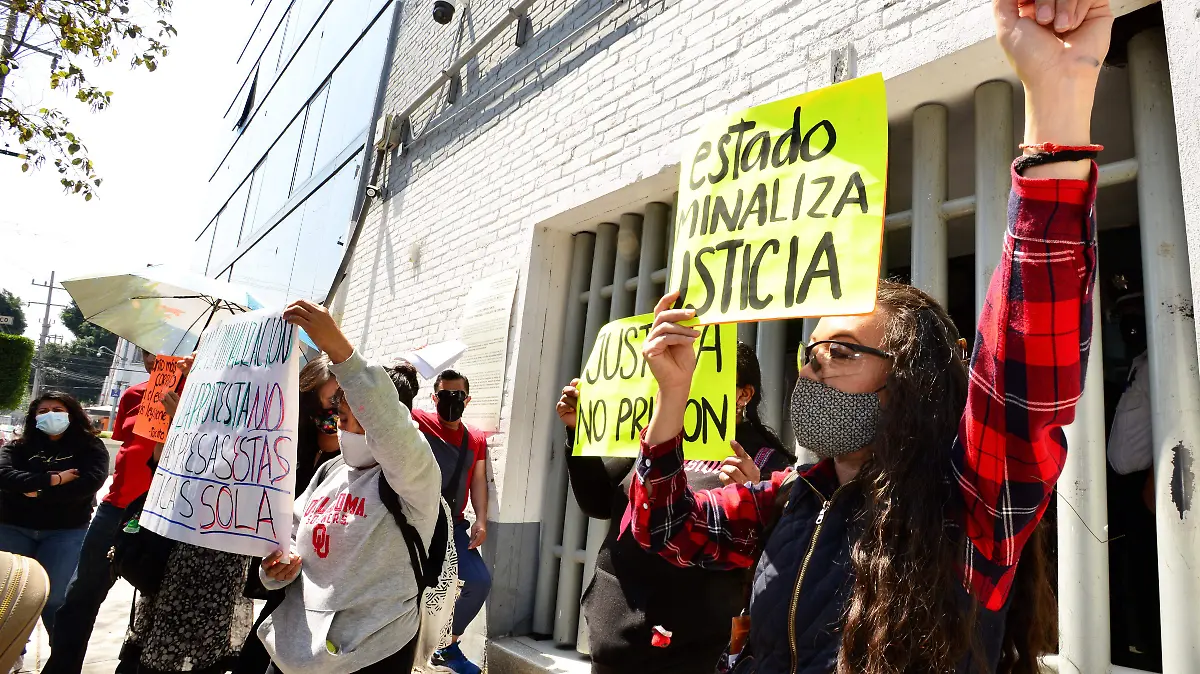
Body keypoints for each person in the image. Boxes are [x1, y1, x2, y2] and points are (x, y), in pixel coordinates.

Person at [627, 1, 1109, 670]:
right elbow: (663, 528)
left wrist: (1055, 102)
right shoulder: (789, 496)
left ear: (910, 380)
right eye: (810, 352)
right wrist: (670, 398)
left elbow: (1027, 365)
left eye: (842, 351)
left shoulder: (965, 508)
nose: (812, 369)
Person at [555, 341, 794, 674]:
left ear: (743, 395)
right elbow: (596, 502)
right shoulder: (652, 439)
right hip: (615, 633)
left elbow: (776, 563)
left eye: (700, 376)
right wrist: (576, 431)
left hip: (694, 646)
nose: (682, 382)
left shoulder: (765, 462)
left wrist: (751, 495)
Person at [257, 300, 442, 674]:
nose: (350, 431)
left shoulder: (414, 479)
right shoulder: (329, 472)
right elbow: (291, 534)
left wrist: (340, 351)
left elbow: (387, 421)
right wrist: (276, 567)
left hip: (370, 653)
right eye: (343, 418)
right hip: (292, 650)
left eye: (365, 424)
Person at [43, 349, 159, 674]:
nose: (154, 359)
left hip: (168, 518)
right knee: (79, 596)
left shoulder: (208, 401)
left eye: (163, 354)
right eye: (147, 352)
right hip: (116, 509)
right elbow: (128, 448)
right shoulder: (133, 395)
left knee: (156, 606)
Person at [234, 354, 344, 674]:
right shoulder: (287, 435)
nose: (337, 408)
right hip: (276, 551)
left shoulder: (346, 443)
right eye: (330, 400)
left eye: (341, 399)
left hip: (316, 561)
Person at [0, 392, 108, 646]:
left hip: (66, 532)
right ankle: (12, 650)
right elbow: (5, 477)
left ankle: (60, 657)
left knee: (55, 599)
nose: (50, 415)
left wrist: (33, 491)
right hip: (13, 527)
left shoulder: (90, 447)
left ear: (71, 413)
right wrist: (54, 480)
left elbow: (88, 485)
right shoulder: (18, 447)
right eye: (43, 411)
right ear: (33, 417)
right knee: (9, 597)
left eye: (57, 410)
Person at [414, 370, 489, 674]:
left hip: (453, 526)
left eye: (457, 396)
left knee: (478, 580)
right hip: (418, 522)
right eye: (445, 396)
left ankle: (446, 645)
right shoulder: (419, 421)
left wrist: (481, 519)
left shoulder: (475, 439)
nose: (451, 402)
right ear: (434, 398)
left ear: (467, 400)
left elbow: (479, 481)